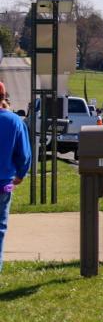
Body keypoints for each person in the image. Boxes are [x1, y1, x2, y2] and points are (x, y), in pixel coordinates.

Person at [0, 83, 31, 272]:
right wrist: (20, 174)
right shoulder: (14, 121)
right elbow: (24, 154)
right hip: (4, 183)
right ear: (4, 97)